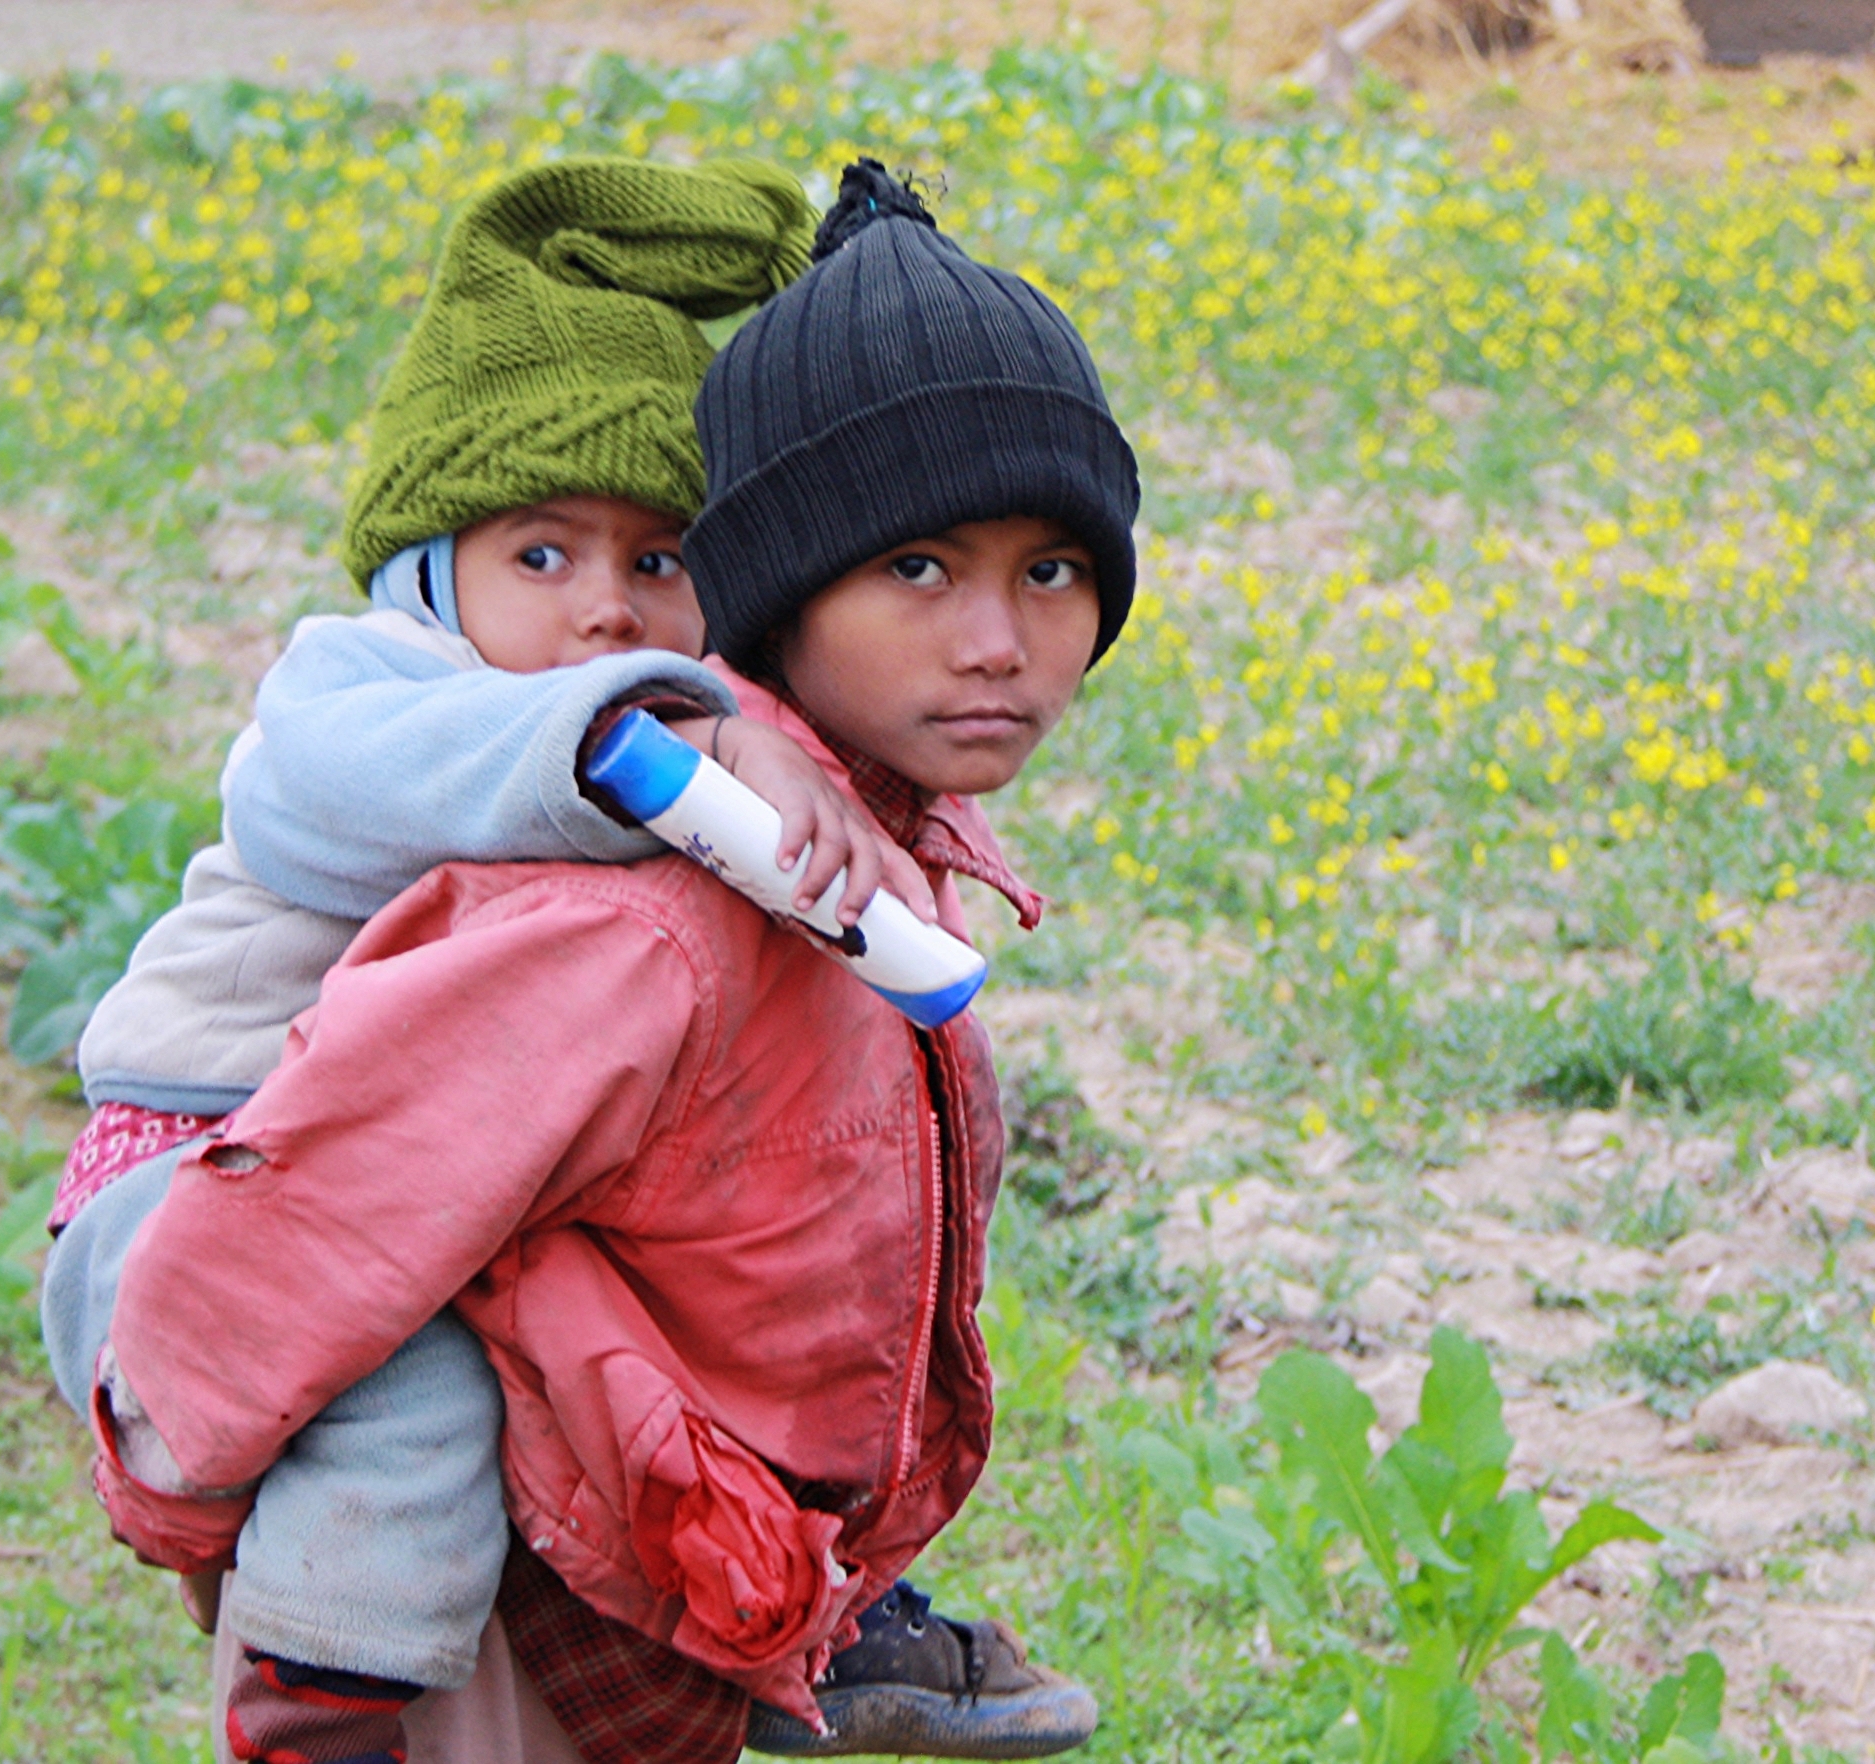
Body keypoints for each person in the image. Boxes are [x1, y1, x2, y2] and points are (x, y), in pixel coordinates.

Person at [84, 159, 1142, 1763]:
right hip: (200, 1168)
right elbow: (339, 1192)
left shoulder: (760, 826)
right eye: (539, 556)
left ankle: (817, 1614)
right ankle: (319, 1688)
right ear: (433, 571)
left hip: (435, 1304)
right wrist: (179, 1454)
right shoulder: (464, 749)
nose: (601, 616)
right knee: (407, 1431)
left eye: (655, 562)